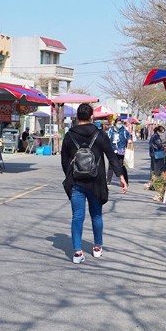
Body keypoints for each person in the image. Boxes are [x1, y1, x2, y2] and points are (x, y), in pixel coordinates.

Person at [61, 103, 127, 264]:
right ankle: (97, 247)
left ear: (77, 117)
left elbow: (64, 161)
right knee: (96, 215)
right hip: (96, 182)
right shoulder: (100, 135)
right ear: (92, 117)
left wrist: (71, 176)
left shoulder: (69, 135)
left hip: (77, 182)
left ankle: (77, 252)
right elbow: (112, 157)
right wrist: (120, 176)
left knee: (77, 217)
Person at [106, 117, 132, 185]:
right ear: (115, 123)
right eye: (118, 123)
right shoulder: (111, 130)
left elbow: (129, 135)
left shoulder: (123, 130)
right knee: (111, 166)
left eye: (120, 123)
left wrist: (129, 140)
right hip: (112, 149)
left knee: (121, 166)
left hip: (121, 150)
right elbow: (107, 138)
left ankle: (125, 181)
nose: (119, 125)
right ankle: (108, 180)